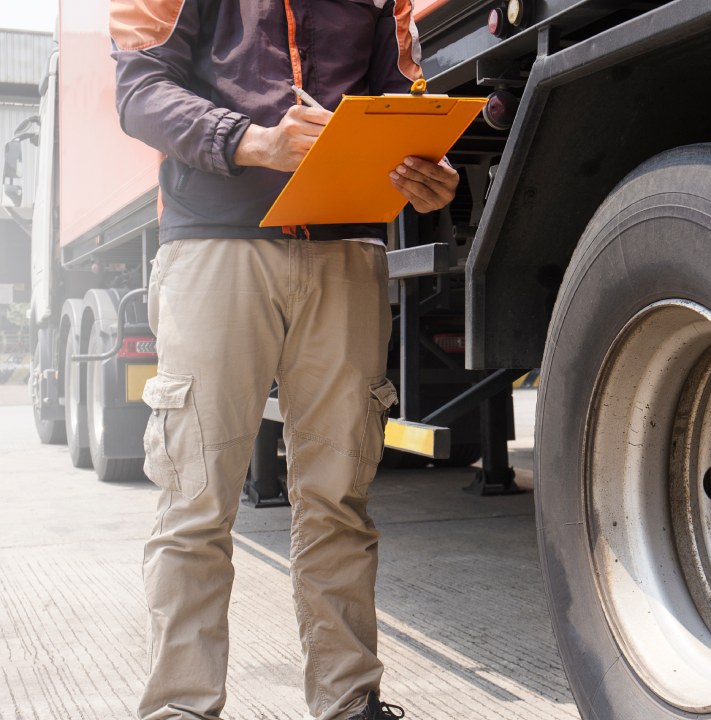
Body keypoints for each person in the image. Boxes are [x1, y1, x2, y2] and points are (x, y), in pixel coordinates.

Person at [110, 2, 457, 718]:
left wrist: (431, 171)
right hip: (215, 249)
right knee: (197, 500)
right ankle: (181, 706)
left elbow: (402, 107)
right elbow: (140, 90)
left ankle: (348, 701)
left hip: (345, 248)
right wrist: (251, 141)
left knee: (338, 499)